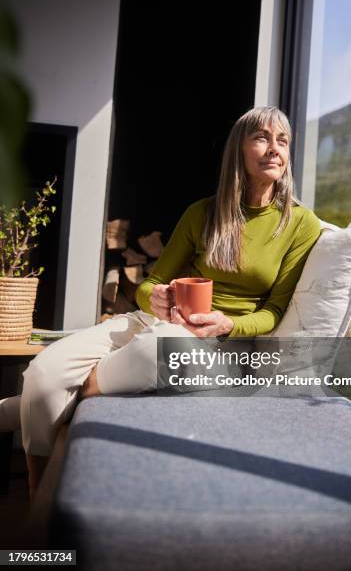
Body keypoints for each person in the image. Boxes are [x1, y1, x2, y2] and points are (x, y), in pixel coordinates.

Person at [0, 106, 321, 499]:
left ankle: (68, 393)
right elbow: (148, 283)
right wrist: (154, 296)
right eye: (262, 138)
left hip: (221, 345)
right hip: (156, 323)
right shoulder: (203, 213)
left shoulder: (300, 224)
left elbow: (274, 312)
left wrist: (227, 323)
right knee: (43, 372)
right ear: (239, 149)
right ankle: (37, 489)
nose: (274, 149)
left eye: (282, 141)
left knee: (156, 351)